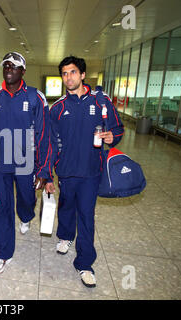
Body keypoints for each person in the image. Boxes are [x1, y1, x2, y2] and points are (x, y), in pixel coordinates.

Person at [45, 56, 124, 288]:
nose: (68, 77)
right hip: (66, 171)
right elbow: (50, 142)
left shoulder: (101, 101)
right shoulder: (57, 108)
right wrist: (47, 174)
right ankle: (66, 236)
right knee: (66, 206)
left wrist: (113, 137)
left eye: (72, 72)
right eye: (64, 73)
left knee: (86, 215)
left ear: (82, 75)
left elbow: (117, 127)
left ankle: (85, 264)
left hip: (91, 171)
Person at [0, 52, 51, 274]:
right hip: (0, 165)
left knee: (26, 200)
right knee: (2, 207)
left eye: (14, 66)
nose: (9, 68)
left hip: (27, 163)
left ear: (23, 71)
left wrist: (44, 169)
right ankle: (3, 253)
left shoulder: (35, 98)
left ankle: (26, 216)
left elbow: (43, 135)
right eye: (6, 65)